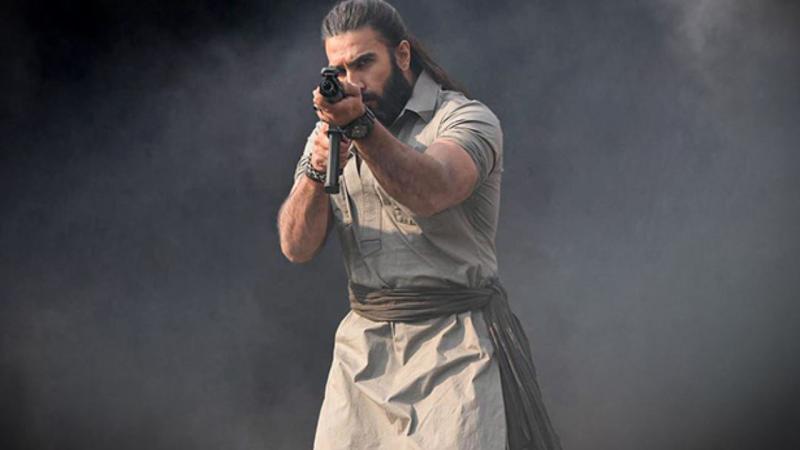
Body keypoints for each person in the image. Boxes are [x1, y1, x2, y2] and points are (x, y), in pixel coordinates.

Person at [277, 1, 562, 448]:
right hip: (362, 355)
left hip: (455, 350)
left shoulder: (466, 118)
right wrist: (316, 170)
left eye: (364, 63)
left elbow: (433, 190)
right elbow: (297, 246)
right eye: (340, 69)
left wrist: (361, 127)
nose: (353, 82)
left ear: (403, 55)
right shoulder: (332, 131)